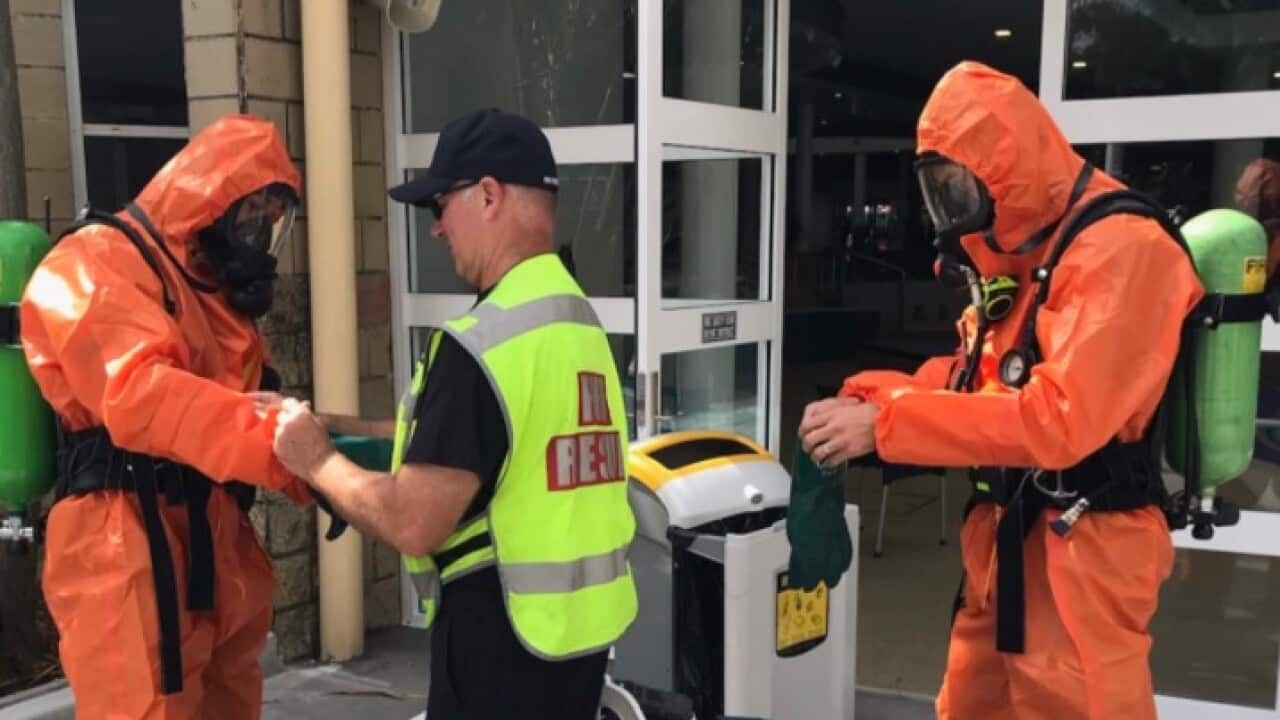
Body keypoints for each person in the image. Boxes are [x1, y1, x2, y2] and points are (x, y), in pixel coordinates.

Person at [798, 62, 1204, 720]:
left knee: (1073, 701)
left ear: (1006, 169)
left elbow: (1056, 419)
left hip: (1086, 553)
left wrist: (890, 427)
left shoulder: (1122, 251)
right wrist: (872, 397)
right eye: (939, 190)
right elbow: (972, 381)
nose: (949, 212)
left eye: (958, 187)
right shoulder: (1024, 252)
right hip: (1009, 541)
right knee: (969, 704)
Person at [271, 107, 637, 720]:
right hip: (576, 644)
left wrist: (316, 460)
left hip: (500, 647)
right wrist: (338, 427)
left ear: (488, 195)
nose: (437, 229)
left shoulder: (480, 345)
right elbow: (489, 442)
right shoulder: (575, 321)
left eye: (440, 205)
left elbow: (413, 522)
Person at [19, 115, 311, 718]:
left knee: (231, 701)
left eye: (271, 222)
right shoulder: (94, 262)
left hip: (209, 533)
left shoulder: (207, 288)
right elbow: (145, 396)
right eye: (251, 214)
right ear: (212, 199)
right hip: (122, 539)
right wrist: (289, 455)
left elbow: (247, 401)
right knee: (145, 703)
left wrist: (318, 462)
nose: (258, 237)